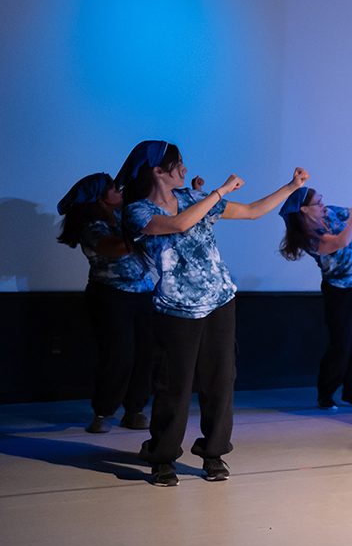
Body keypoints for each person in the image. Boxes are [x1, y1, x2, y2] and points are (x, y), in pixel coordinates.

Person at [120, 139, 309, 486]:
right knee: (173, 386)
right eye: (178, 165)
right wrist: (219, 191)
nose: (185, 170)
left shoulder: (195, 199)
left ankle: (213, 452)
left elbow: (251, 211)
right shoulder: (138, 211)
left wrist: (291, 186)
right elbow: (177, 224)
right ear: (157, 171)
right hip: (175, 309)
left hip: (219, 301)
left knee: (220, 381)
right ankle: (162, 457)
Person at [278, 176, 352, 409]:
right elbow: (342, 241)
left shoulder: (331, 213)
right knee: (341, 345)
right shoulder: (308, 238)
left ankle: (351, 391)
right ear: (304, 209)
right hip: (339, 293)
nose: (324, 205)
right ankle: (326, 393)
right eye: (318, 202)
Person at [56, 173, 155, 433]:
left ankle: (134, 410)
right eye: (113, 188)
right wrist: (141, 233)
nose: (119, 190)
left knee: (145, 354)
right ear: (99, 197)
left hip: (143, 293)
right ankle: (103, 411)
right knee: (118, 355)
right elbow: (114, 248)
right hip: (111, 295)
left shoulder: (124, 216)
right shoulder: (91, 224)